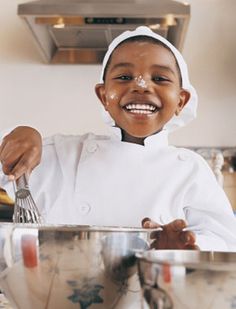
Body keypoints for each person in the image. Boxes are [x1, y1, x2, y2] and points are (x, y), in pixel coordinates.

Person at [0, 26, 236, 251]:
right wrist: (19, 135)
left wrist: (189, 245)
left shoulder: (190, 169)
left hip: (152, 291)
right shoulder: (62, 155)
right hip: (63, 287)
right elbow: (6, 171)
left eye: (160, 78)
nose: (141, 86)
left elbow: (224, 241)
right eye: (124, 76)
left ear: (181, 101)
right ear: (103, 96)